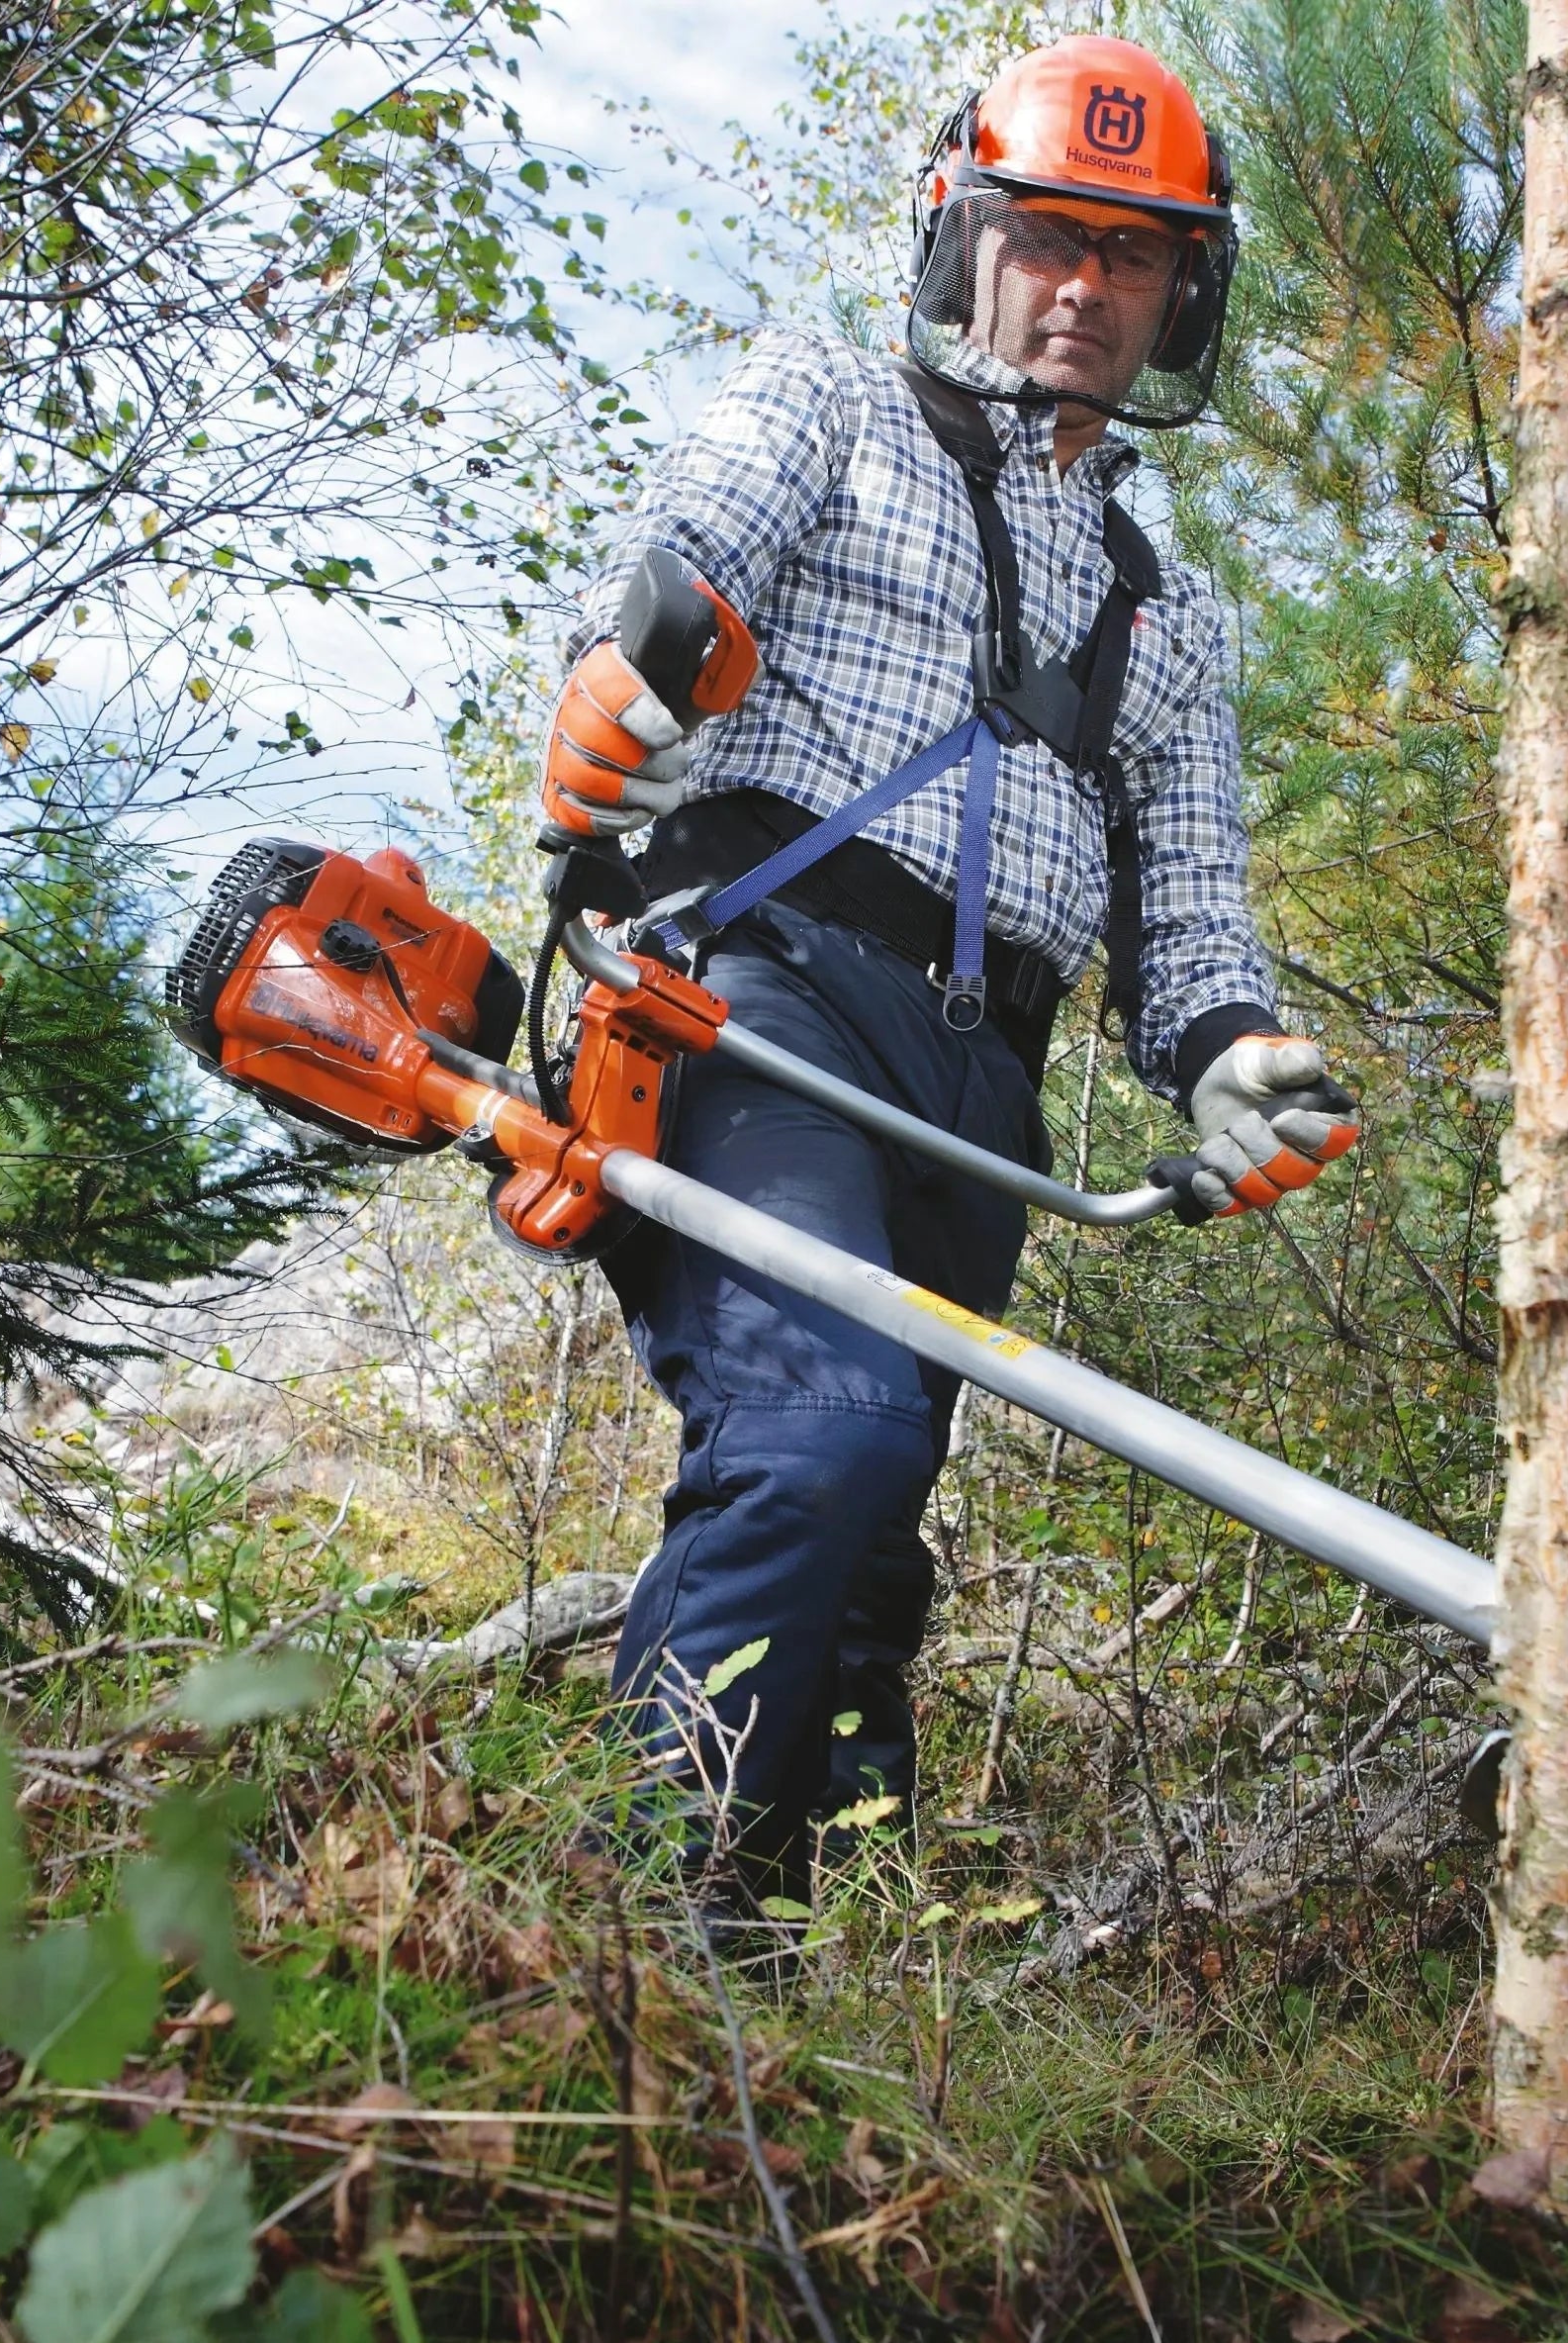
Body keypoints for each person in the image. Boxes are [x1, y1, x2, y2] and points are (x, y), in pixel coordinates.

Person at [539, 33, 1353, 1916]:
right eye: (1045, 235)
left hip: (982, 1090)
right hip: (761, 995)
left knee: (875, 1532)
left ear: (1179, 293)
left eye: (1131, 255)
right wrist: (621, 679)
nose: (1082, 286)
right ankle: (639, 1936)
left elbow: (1196, 918)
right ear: (962, 236)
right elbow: (684, 564)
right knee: (821, 1434)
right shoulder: (823, 400)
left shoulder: (1169, 602)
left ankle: (807, 2008)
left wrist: (1235, 1053)